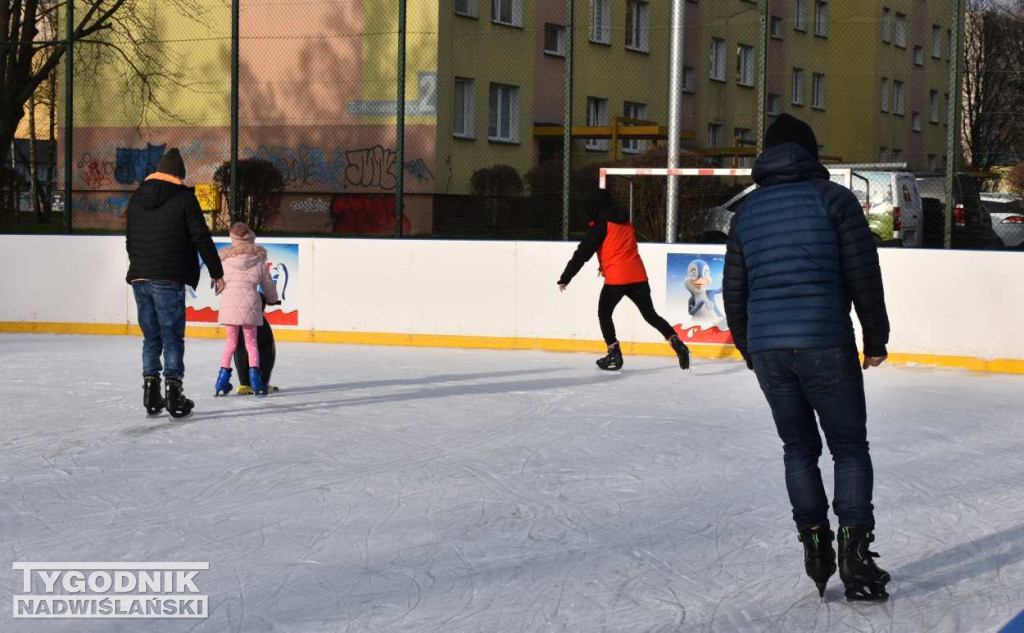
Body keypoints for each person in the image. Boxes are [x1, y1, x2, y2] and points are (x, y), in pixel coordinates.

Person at [723, 114, 892, 602]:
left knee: (798, 449)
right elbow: (864, 276)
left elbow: (734, 290)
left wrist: (748, 347)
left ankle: (815, 546)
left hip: (770, 350)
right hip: (825, 342)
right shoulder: (834, 200)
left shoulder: (747, 214)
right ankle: (856, 558)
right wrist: (875, 338)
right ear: (811, 152)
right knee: (849, 448)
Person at [126, 148, 225, 419]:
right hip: (168, 278)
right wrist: (217, 272)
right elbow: (201, 237)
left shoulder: (137, 198)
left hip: (140, 277)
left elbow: (130, 240)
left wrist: (141, 266)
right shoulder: (183, 198)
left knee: (151, 337)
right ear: (179, 175)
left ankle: (150, 392)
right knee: (171, 338)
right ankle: (174, 393)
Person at [558, 189, 690, 371]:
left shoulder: (601, 226)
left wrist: (566, 277)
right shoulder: (626, 223)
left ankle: (614, 352)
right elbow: (617, 247)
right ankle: (675, 340)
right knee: (650, 315)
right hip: (638, 276)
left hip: (617, 279)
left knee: (604, 313)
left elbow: (582, 253)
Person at [214, 222, 279, 397]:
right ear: (251, 239)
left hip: (229, 308)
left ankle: (221, 380)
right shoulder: (258, 261)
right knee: (251, 345)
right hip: (251, 308)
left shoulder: (224, 261)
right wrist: (273, 299)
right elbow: (268, 286)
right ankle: (256, 380)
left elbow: (218, 284)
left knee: (231, 344)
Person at [233, 292, 279, 395]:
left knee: (239, 346)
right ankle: (261, 381)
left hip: (239, 320)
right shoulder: (262, 324)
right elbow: (269, 355)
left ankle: (244, 382)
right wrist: (272, 298)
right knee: (261, 349)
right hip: (253, 322)